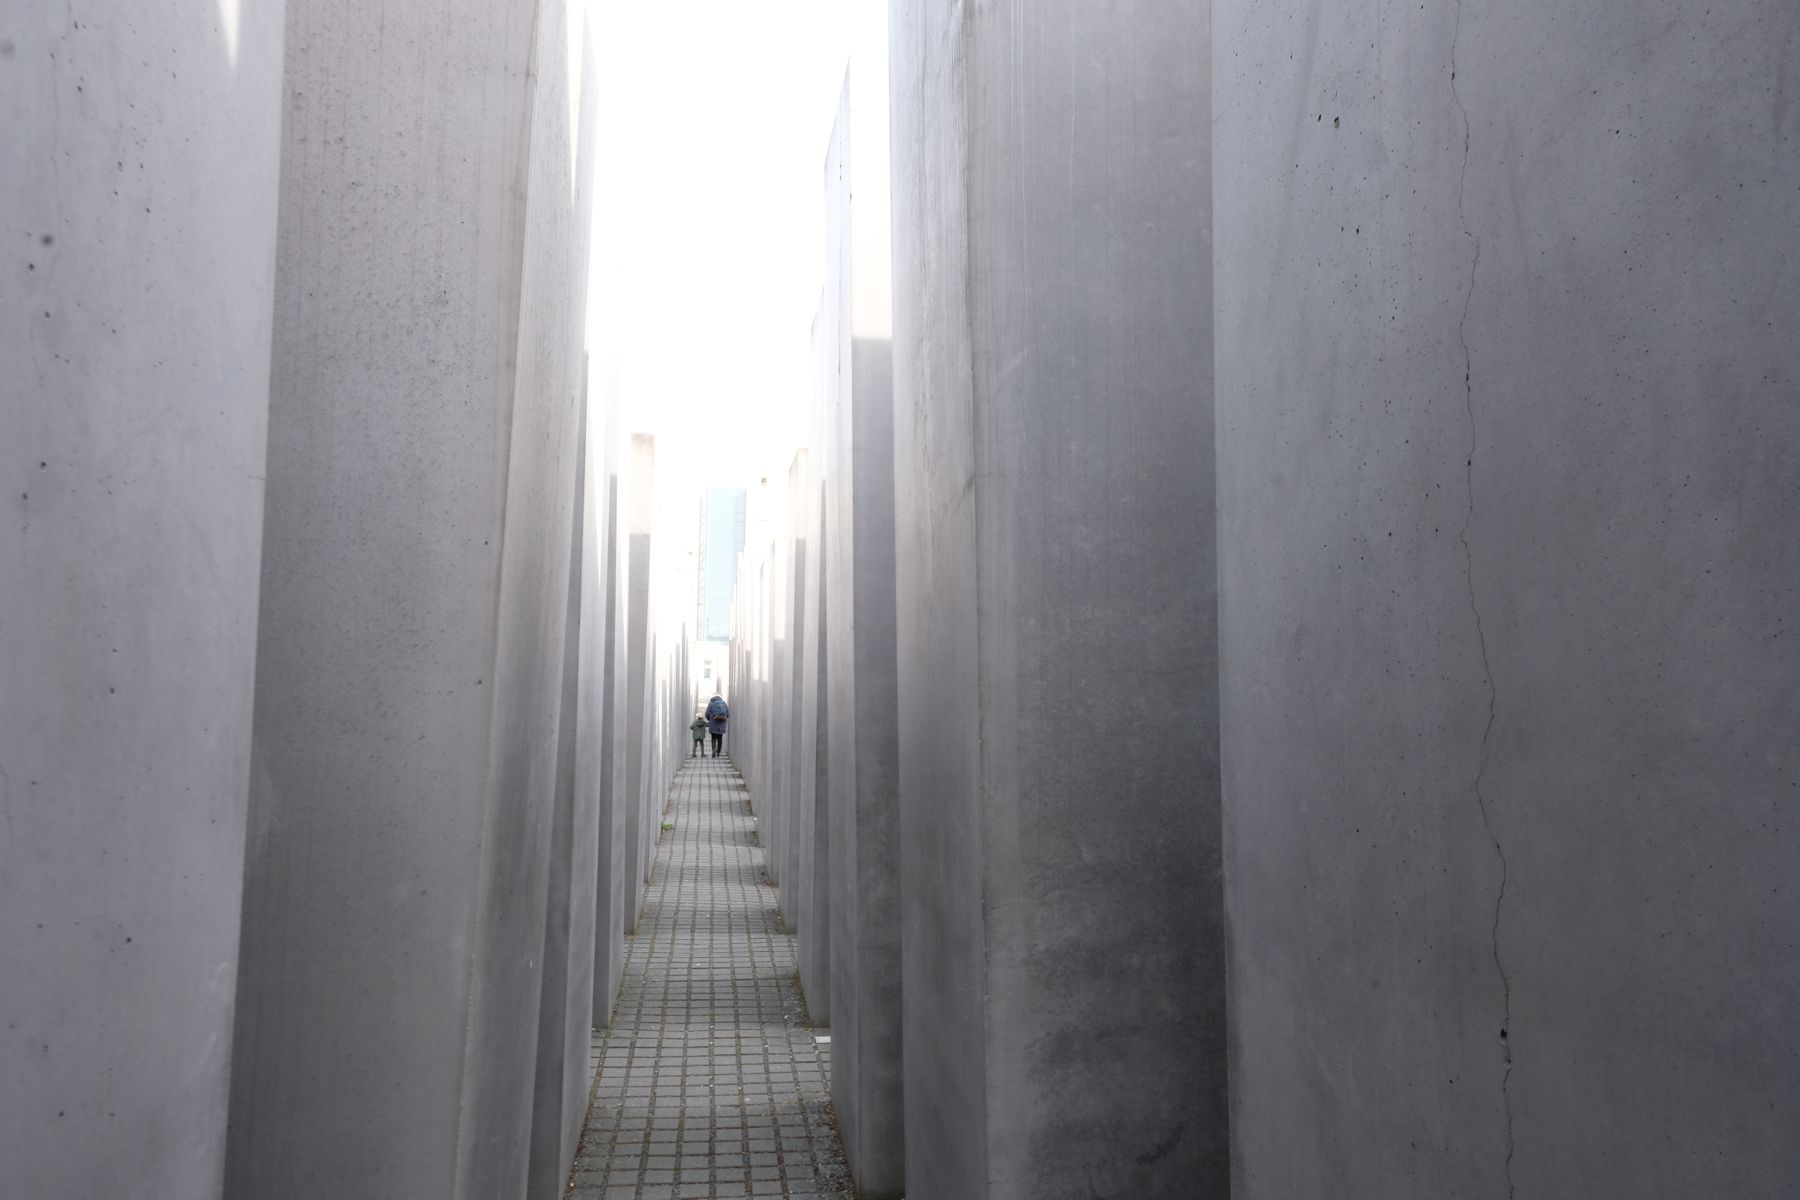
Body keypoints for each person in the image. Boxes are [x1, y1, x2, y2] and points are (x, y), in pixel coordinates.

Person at [705, 694, 729, 758]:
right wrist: (724, 718)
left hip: (713, 722)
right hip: (722, 723)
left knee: (713, 737)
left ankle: (713, 751)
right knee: (720, 737)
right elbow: (728, 714)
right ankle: (718, 752)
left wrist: (710, 719)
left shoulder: (711, 704)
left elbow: (707, 714)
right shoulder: (724, 703)